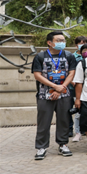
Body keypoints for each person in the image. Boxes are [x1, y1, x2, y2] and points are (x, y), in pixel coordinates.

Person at [32, 31, 77, 160]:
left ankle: (63, 144)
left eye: (63, 40)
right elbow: (37, 75)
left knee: (64, 120)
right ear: (49, 42)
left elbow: (71, 73)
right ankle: (41, 147)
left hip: (64, 94)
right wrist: (54, 87)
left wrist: (60, 88)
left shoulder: (69, 56)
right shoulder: (40, 56)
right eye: (58, 40)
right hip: (44, 94)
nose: (62, 42)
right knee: (43, 121)